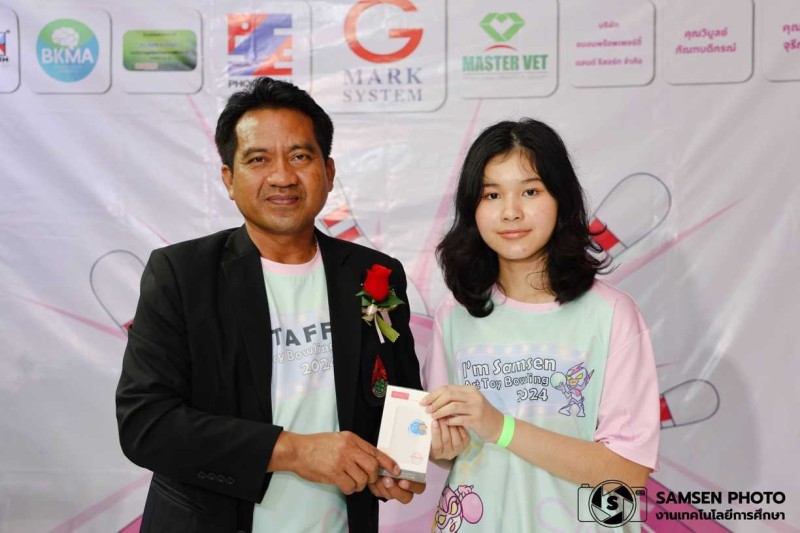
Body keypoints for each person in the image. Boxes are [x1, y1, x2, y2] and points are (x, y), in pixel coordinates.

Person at [116, 77, 424, 533]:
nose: (282, 176)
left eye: (300, 156)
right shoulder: (182, 275)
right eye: (258, 159)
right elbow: (146, 424)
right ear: (229, 179)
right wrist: (294, 451)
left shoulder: (373, 274)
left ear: (328, 171)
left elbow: (400, 395)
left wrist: (397, 461)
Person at [422, 119, 659, 531]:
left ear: (561, 199)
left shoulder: (610, 314)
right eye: (492, 194)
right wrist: (437, 445)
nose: (511, 211)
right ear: (472, 209)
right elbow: (449, 451)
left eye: (530, 191)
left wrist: (501, 428)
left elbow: (628, 472)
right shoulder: (454, 314)